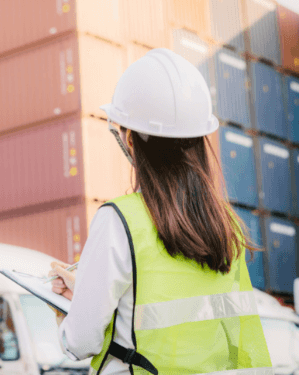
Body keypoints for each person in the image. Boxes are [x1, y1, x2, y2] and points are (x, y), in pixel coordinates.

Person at [48, 48, 273, 375]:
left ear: (129, 138)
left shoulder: (119, 221)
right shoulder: (226, 227)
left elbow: (81, 342)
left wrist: (68, 312)